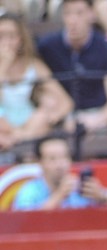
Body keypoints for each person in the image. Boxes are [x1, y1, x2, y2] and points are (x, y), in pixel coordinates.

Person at [37, 0, 107, 154]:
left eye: (79, 13)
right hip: (67, 112)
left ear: (92, 14)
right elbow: (38, 76)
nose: (73, 20)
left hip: (101, 112)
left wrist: (95, 121)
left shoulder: (106, 47)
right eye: (68, 13)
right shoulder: (47, 46)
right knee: (70, 127)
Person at [0, 11, 73, 160]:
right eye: (1, 36)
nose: (6, 42)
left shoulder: (34, 66)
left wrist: (53, 116)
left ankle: (21, 142)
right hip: (2, 124)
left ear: (20, 39)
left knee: (41, 116)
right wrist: (4, 65)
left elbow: (66, 102)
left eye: (12, 36)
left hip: (29, 125)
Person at [11, 132, 107, 208]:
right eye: (52, 159)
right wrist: (59, 195)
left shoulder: (79, 187)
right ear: (40, 162)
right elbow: (25, 220)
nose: (60, 164)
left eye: (64, 157)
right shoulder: (30, 191)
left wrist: (102, 197)